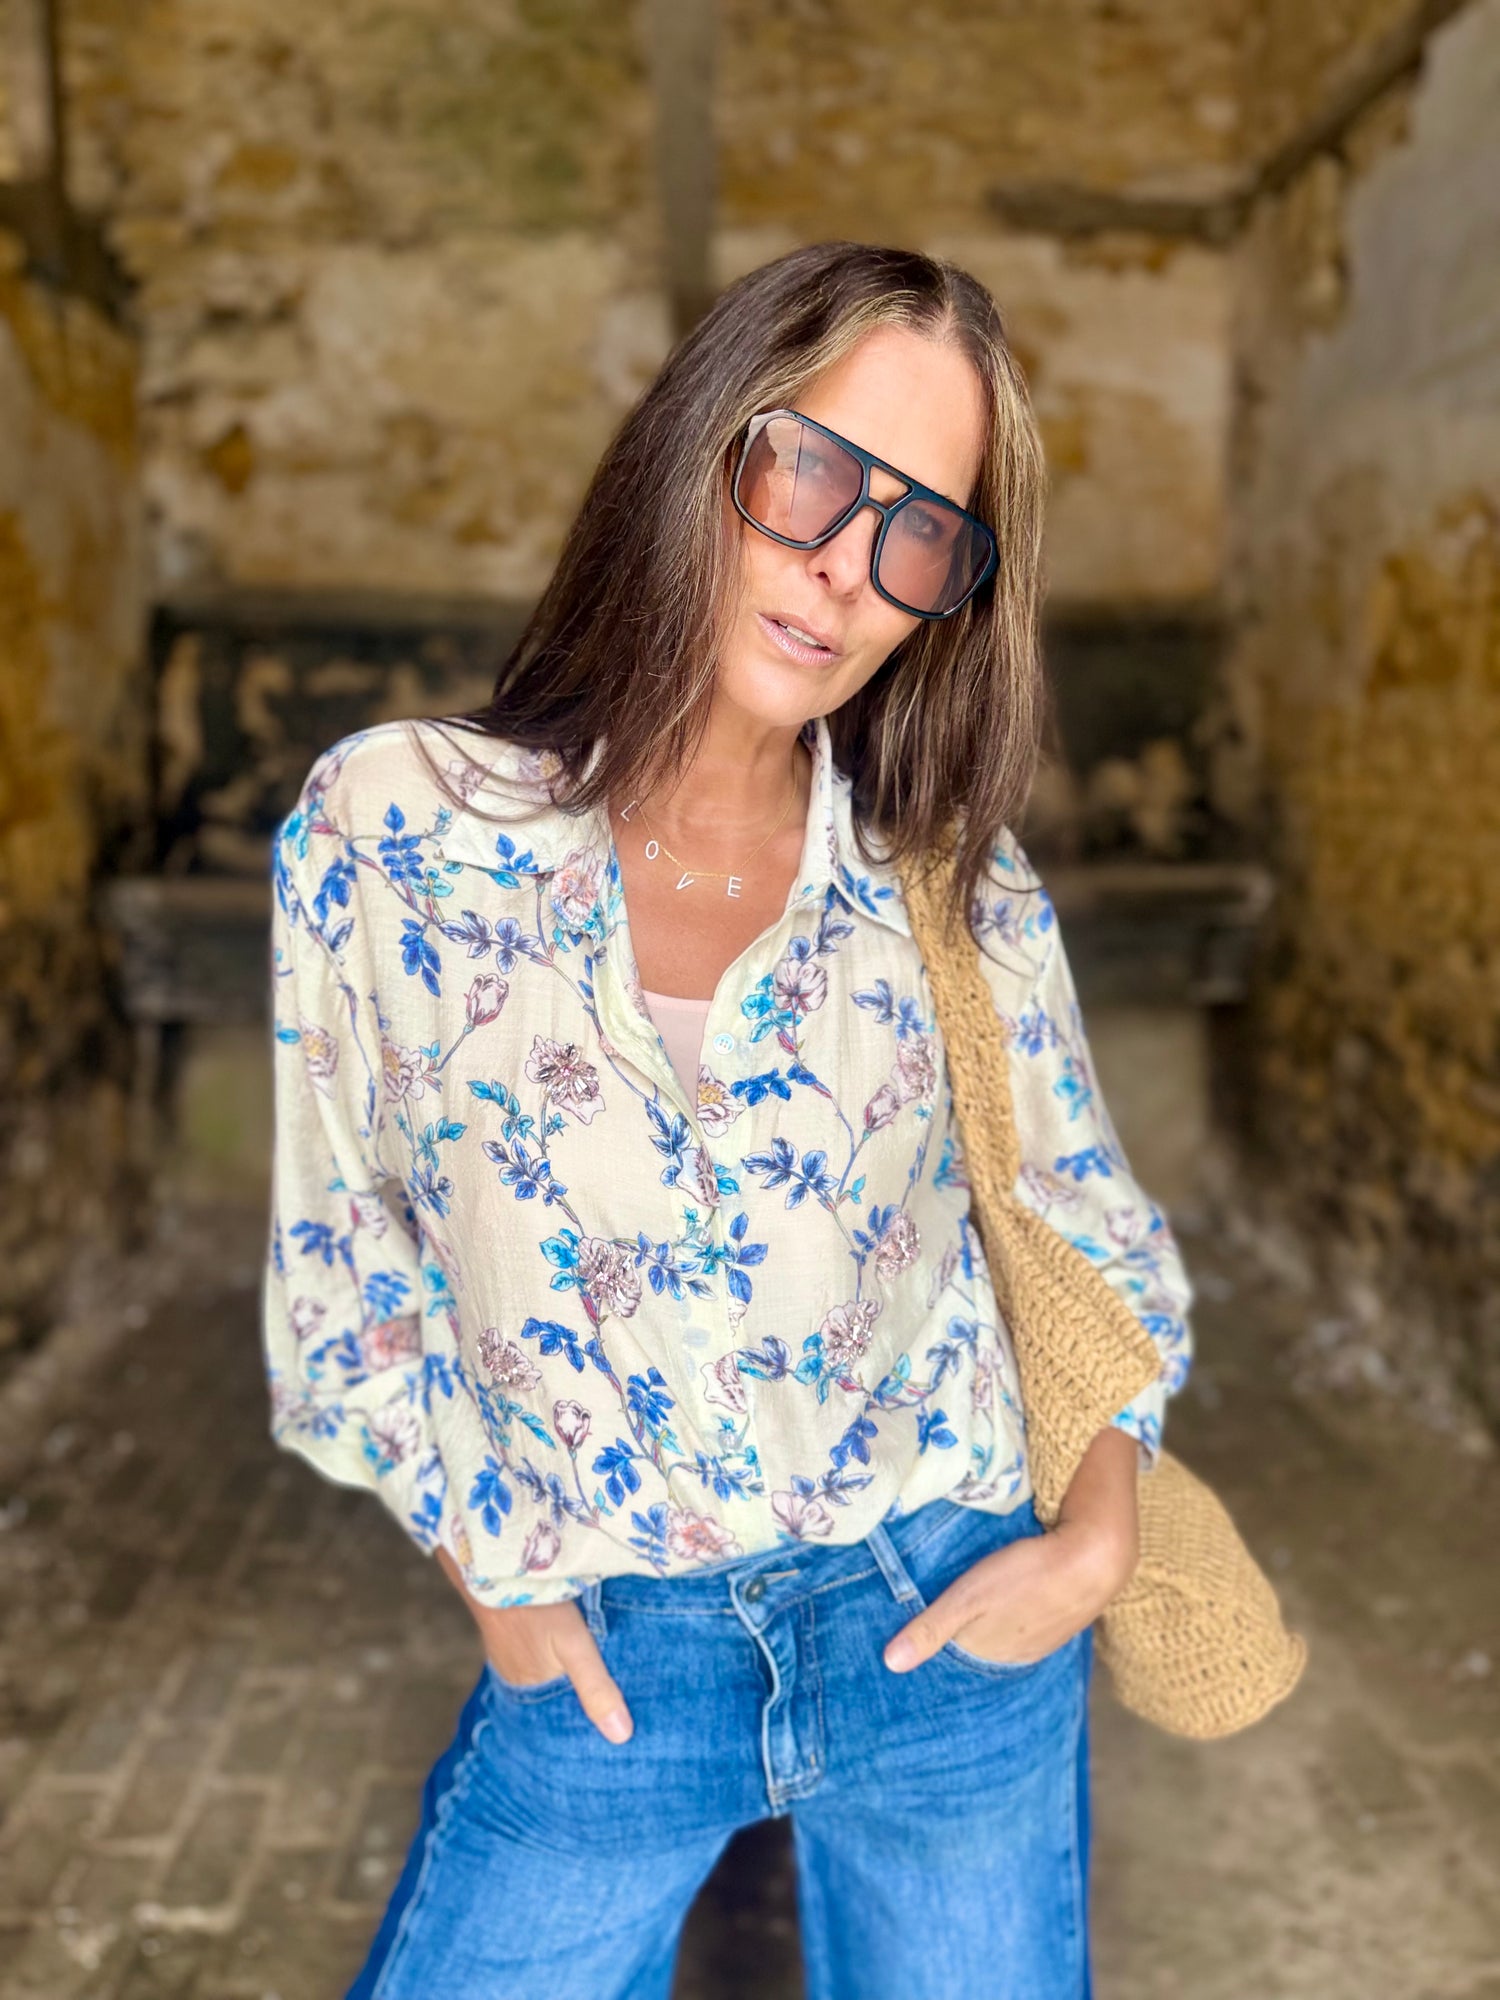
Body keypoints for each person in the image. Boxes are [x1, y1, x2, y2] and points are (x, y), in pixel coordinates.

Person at [263, 240, 1193, 2000]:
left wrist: (1094, 1541)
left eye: (921, 532)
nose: (846, 567)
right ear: (705, 442)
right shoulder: (399, 830)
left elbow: (1091, 1233)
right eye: (816, 473)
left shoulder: (949, 886)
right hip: (607, 1653)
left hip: (946, 1622)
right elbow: (344, 1263)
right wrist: (495, 1577)